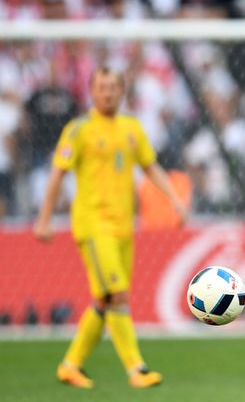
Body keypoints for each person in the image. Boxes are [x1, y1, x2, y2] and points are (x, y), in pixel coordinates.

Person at [33, 67, 187, 389]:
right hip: (93, 225)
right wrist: (44, 218)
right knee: (117, 294)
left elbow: (150, 166)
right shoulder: (79, 130)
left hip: (122, 227)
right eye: (102, 88)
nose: (108, 93)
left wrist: (173, 197)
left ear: (122, 92)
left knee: (104, 301)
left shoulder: (131, 128)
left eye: (113, 87)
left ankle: (71, 365)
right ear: (92, 91)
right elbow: (58, 174)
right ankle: (137, 369)